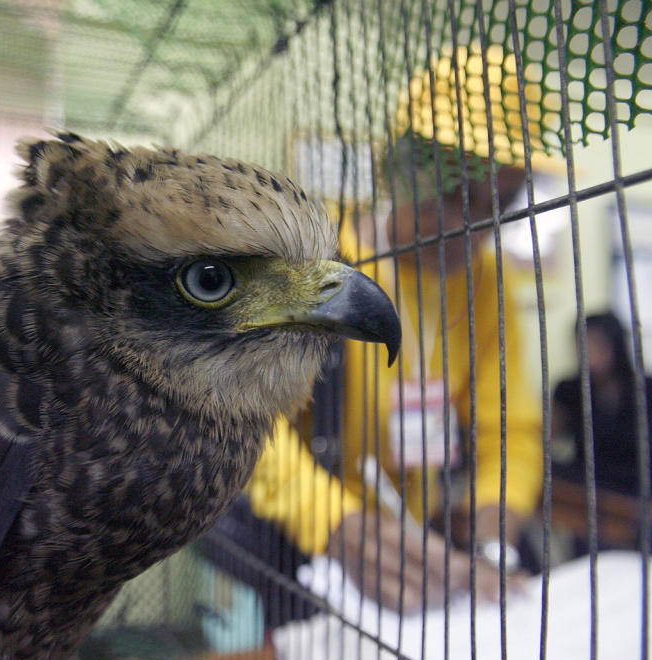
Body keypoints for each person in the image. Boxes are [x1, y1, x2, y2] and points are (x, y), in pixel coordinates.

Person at [245, 44, 545, 612]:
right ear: (398, 170)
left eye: (499, 203)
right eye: (455, 193)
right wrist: (334, 524)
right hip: (307, 547)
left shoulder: (488, 285)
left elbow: (512, 431)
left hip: (419, 535)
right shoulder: (323, 263)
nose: (473, 226)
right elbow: (253, 431)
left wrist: (490, 529)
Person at [553, 312, 652, 496]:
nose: (590, 356)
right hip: (587, 486)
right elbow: (546, 437)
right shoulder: (569, 389)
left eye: (597, 346)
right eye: (582, 347)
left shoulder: (645, 388)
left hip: (638, 489)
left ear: (616, 345)